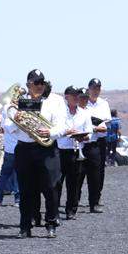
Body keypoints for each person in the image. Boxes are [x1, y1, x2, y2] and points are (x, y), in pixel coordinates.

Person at [7, 70, 69, 238]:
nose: (40, 86)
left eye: (42, 82)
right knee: (26, 189)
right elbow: (8, 125)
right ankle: (25, 226)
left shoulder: (55, 100)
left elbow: (62, 125)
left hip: (47, 149)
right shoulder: (18, 100)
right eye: (36, 83)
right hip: (24, 149)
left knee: (51, 187)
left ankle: (51, 223)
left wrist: (50, 131)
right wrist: (18, 121)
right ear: (28, 84)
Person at [56, 87, 93, 219]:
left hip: (76, 150)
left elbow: (89, 132)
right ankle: (54, 209)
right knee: (57, 183)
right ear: (66, 96)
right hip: (60, 150)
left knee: (74, 183)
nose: (76, 97)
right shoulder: (59, 113)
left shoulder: (84, 114)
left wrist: (82, 136)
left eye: (78, 95)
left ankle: (71, 210)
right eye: (73, 95)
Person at [81, 78, 113, 213]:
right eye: (94, 88)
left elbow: (108, 121)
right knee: (80, 172)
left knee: (98, 172)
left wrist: (99, 125)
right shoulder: (83, 102)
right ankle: (74, 200)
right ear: (88, 89)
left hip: (99, 140)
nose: (96, 90)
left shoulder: (104, 103)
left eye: (98, 88)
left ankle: (95, 199)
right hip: (84, 140)